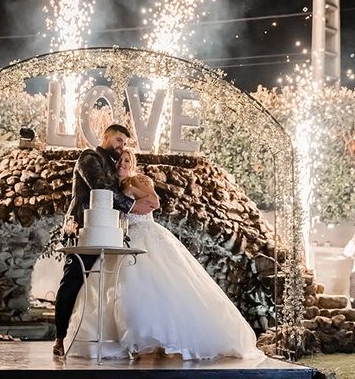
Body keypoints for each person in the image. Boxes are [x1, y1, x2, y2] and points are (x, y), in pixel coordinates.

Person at [65, 148, 264, 361]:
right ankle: (129, 339)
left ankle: (162, 338)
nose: (122, 164)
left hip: (146, 235)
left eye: (126, 160)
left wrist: (134, 197)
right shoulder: (111, 186)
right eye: (119, 160)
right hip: (123, 239)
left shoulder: (137, 181)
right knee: (117, 287)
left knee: (155, 282)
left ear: (132, 163)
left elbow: (154, 202)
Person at [53, 125, 157, 356]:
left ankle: (112, 338)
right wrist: (131, 205)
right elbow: (100, 188)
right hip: (83, 228)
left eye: (124, 143)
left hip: (110, 233)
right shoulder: (89, 158)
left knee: (109, 287)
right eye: (118, 140)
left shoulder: (115, 165)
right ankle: (60, 337)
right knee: (73, 281)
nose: (121, 146)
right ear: (106, 137)